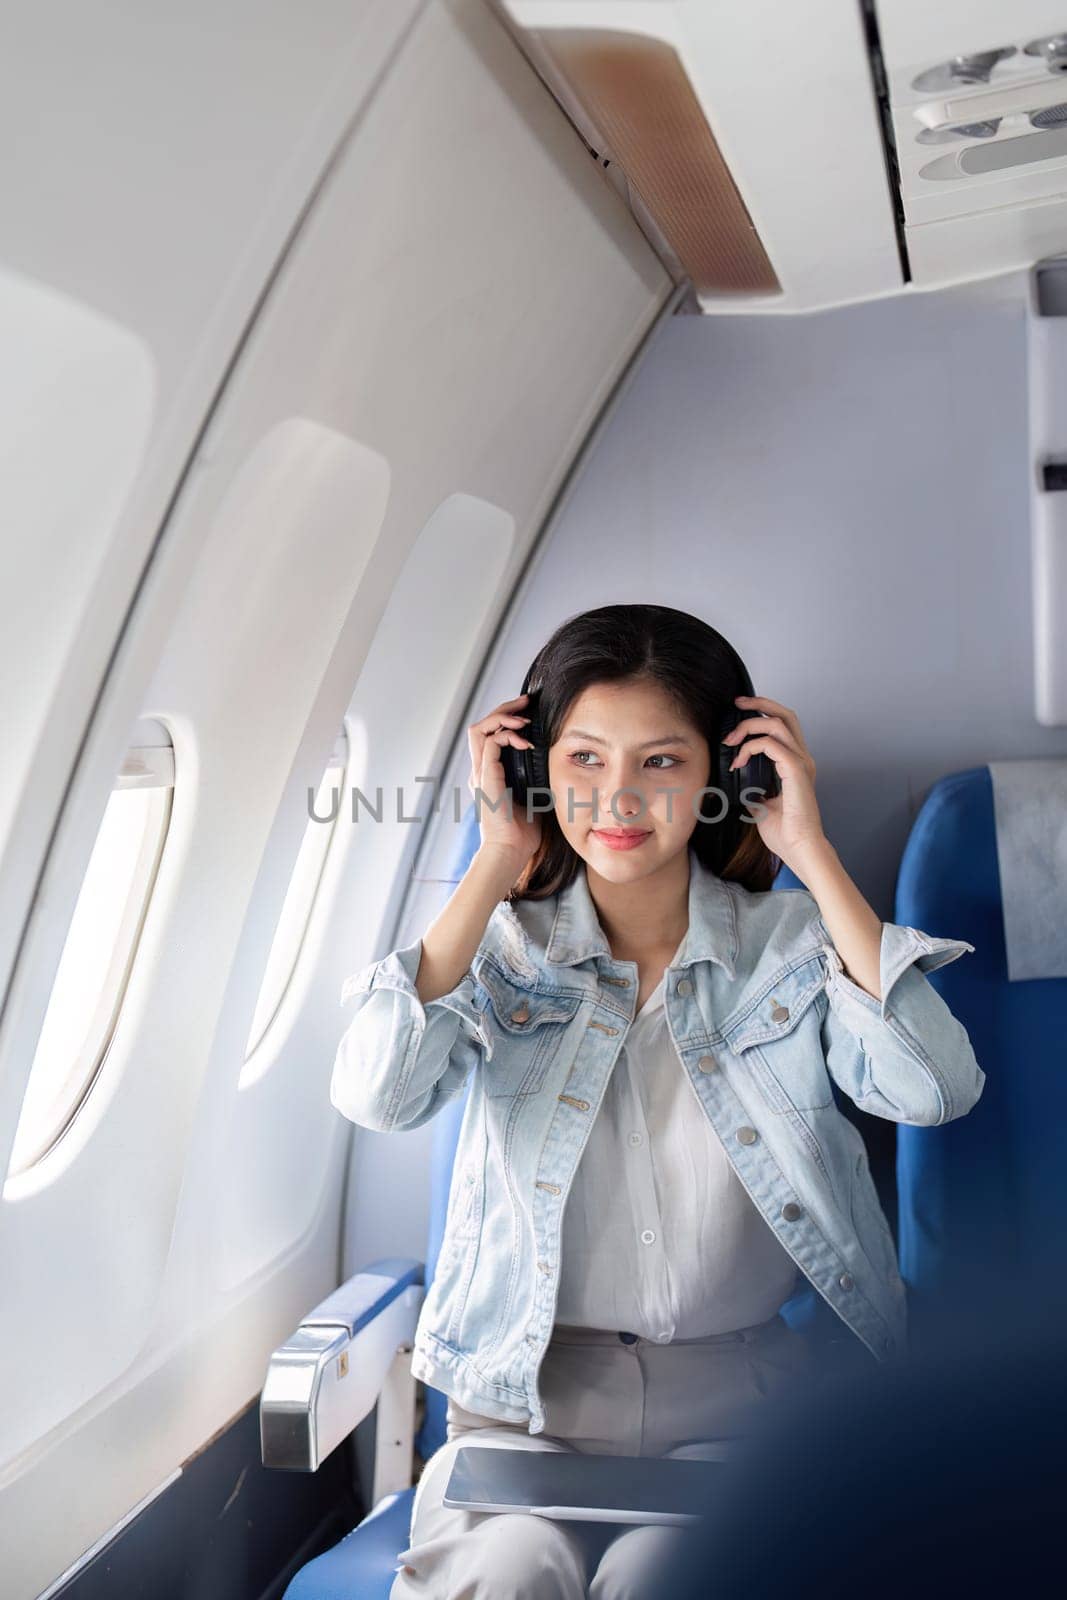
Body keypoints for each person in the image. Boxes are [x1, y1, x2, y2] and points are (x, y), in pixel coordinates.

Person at [330, 603, 985, 1599]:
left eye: (660, 762)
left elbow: (933, 1088)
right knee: (503, 1577)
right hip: (522, 1410)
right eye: (583, 760)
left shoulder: (789, 949)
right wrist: (493, 862)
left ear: (718, 775)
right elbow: (377, 1091)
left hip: (735, 1414)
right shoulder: (499, 949)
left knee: (662, 1578)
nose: (617, 797)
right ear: (534, 771)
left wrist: (807, 849)